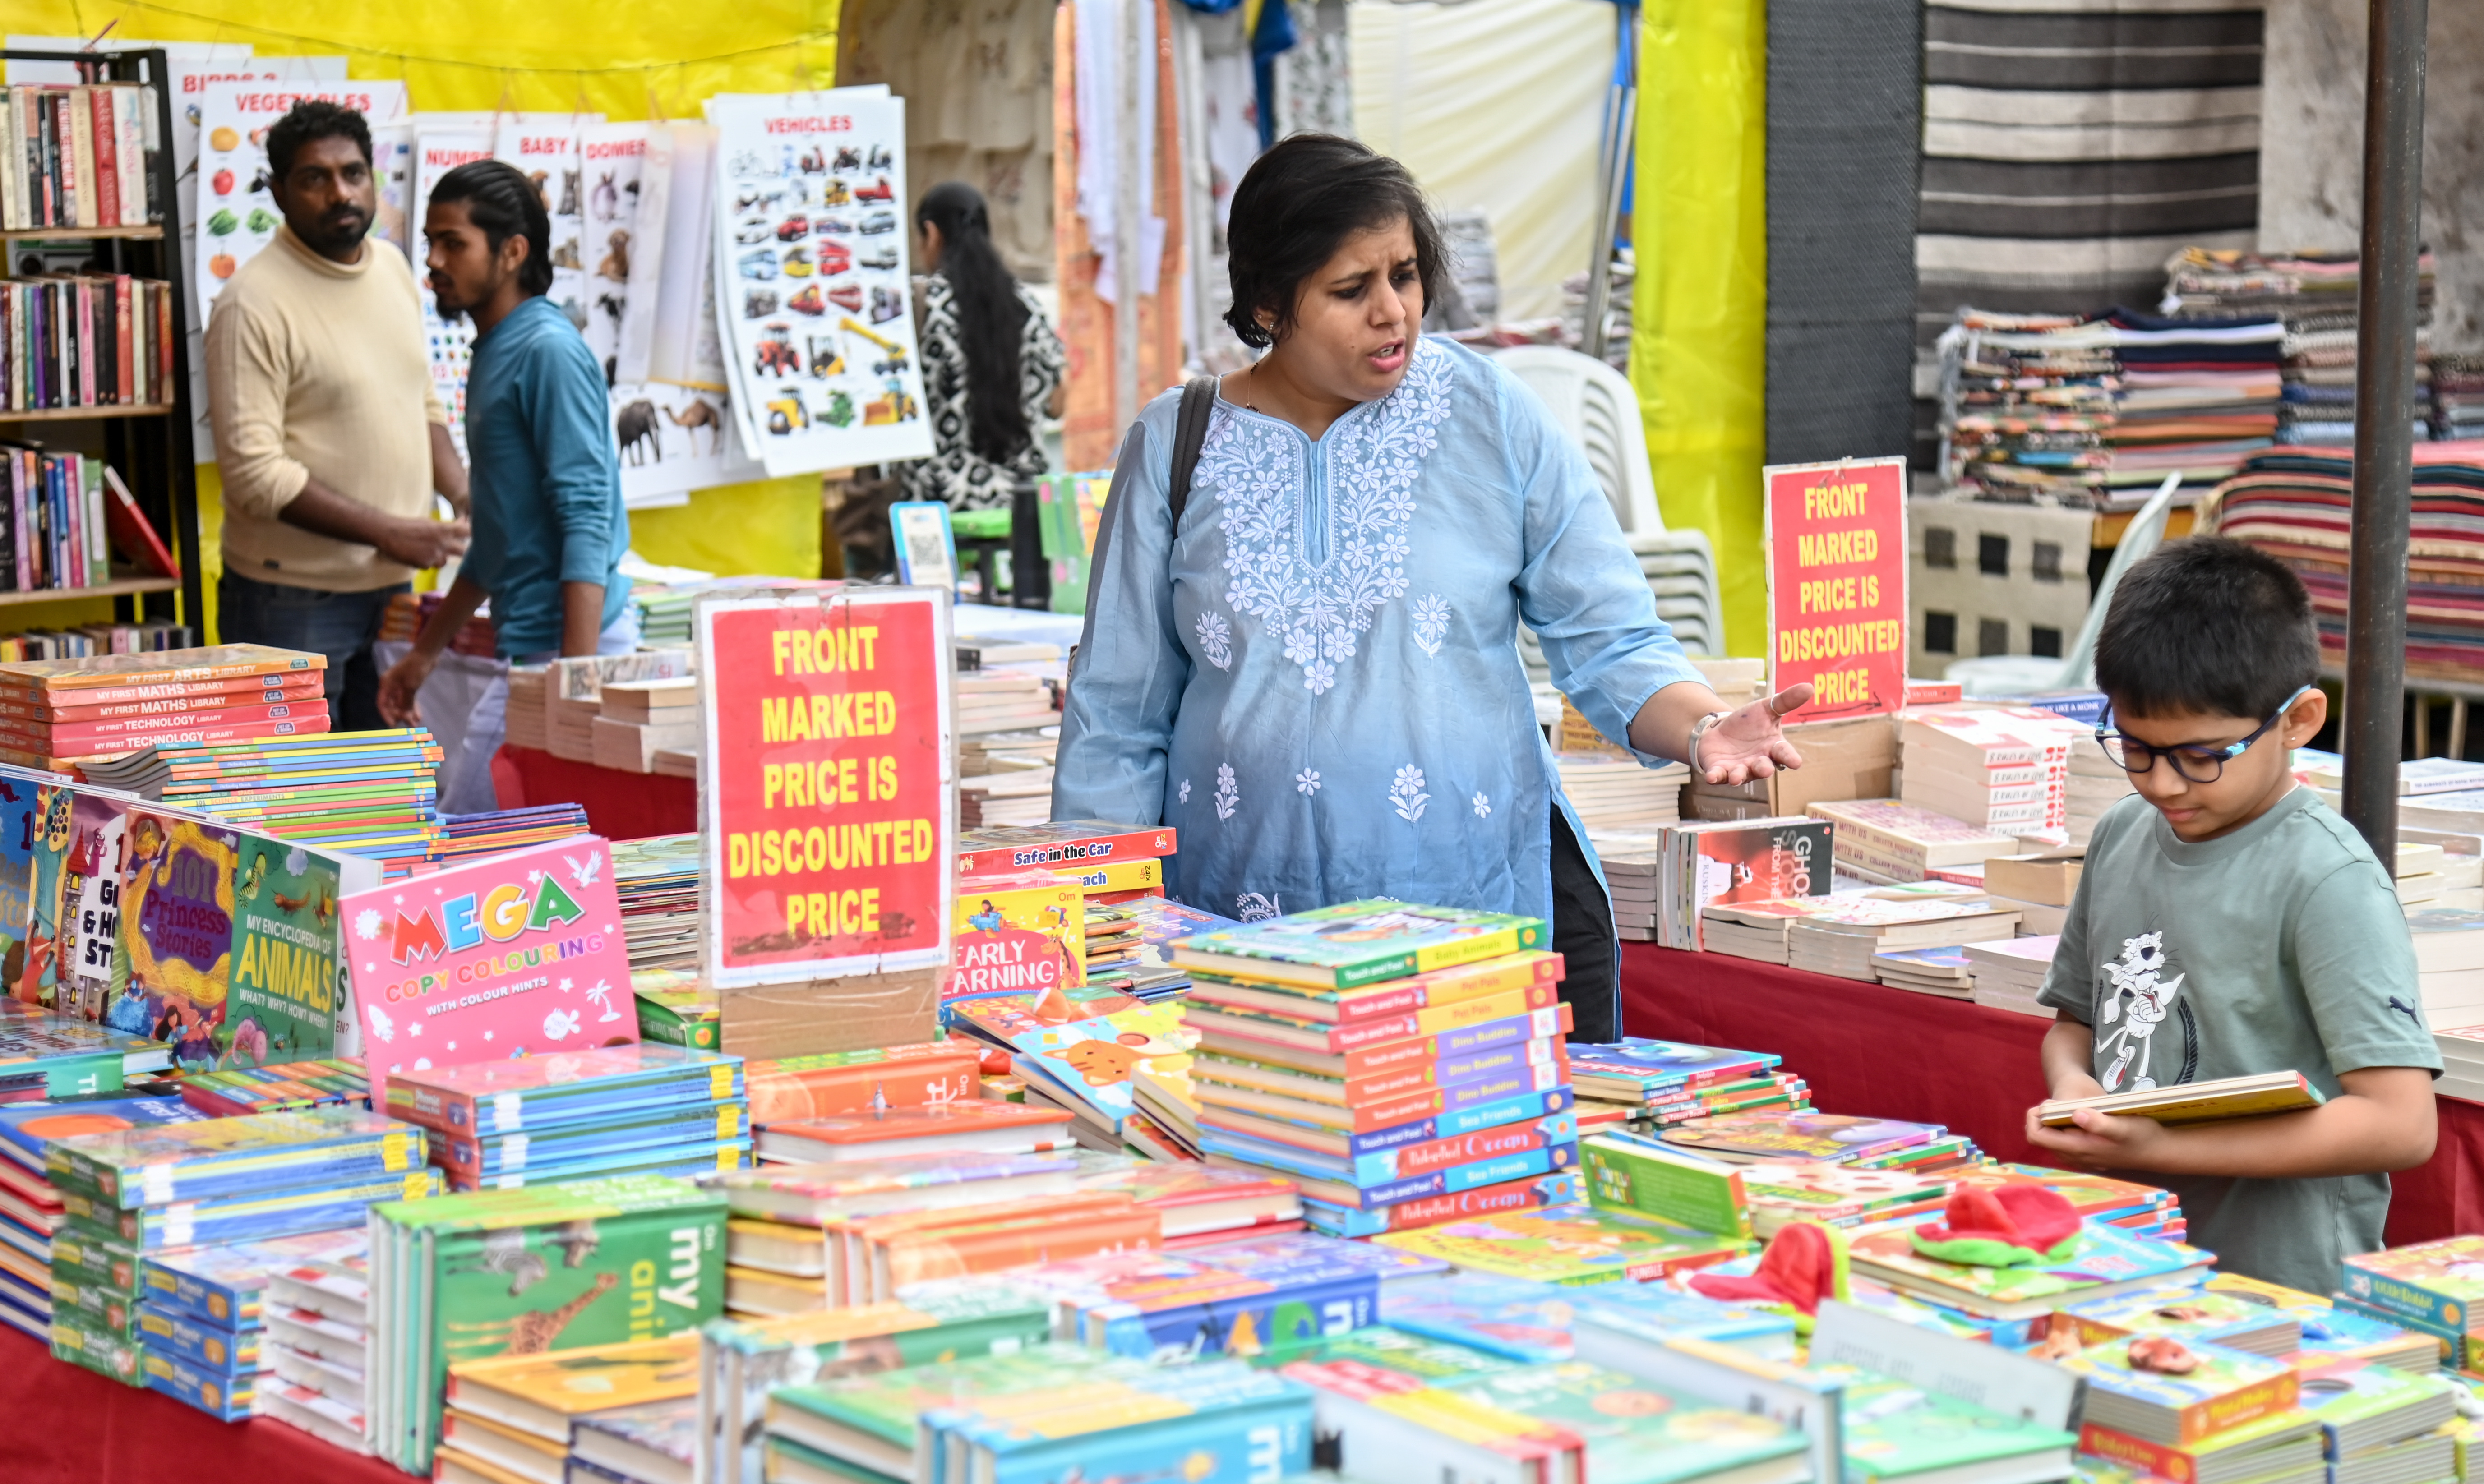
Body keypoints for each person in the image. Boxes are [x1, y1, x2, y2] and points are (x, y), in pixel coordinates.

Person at [1050, 134, 1807, 1043]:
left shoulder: (1488, 415)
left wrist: (1698, 727)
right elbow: (1116, 713)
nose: (1390, 313)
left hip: (1466, 925)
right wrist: (1094, 929)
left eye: (1404, 277)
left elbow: (1609, 636)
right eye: (1349, 290)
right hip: (1238, 938)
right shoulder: (1176, 445)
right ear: (1264, 303)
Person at [2026, 537, 2438, 1293]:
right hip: (2134, 1255)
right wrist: (2073, 1092)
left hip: (2284, 1283)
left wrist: (2156, 1148)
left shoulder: (2327, 878)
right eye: (2135, 748)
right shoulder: (2122, 832)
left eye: (2202, 756)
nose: (2163, 783)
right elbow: (2076, 1025)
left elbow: (2401, 1123)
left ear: (2300, 719)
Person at [205, 99, 469, 730]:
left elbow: (421, 402)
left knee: (385, 801)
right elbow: (255, 475)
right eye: (313, 178)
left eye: (353, 173)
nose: (340, 192)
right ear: (277, 193)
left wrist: (464, 496)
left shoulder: (395, 269)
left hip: (397, 592)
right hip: (289, 602)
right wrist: (391, 531)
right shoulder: (252, 303)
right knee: (296, 805)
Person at [377, 161, 636, 781]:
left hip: (572, 651)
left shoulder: (547, 350)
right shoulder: (496, 349)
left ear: (513, 251)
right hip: (537, 649)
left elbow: (587, 519)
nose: (434, 261)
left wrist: (574, 687)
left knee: (476, 827)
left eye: (454, 244)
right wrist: (423, 654)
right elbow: (498, 539)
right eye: (430, 244)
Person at [897, 181, 1067, 515]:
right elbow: (1057, 404)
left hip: (935, 507)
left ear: (931, 234)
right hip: (1021, 507)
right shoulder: (1026, 306)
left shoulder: (920, 308)